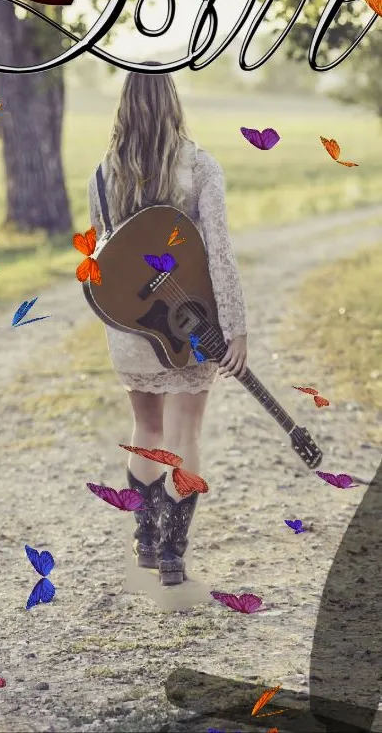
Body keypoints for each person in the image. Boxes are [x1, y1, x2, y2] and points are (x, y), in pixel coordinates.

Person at [88, 62, 247, 586]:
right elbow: (219, 253)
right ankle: (174, 551)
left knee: (148, 429)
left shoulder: (101, 174)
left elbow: (105, 266)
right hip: (191, 325)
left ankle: (145, 538)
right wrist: (235, 326)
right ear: (173, 101)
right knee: (186, 434)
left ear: (125, 104)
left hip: (131, 328)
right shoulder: (200, 167)